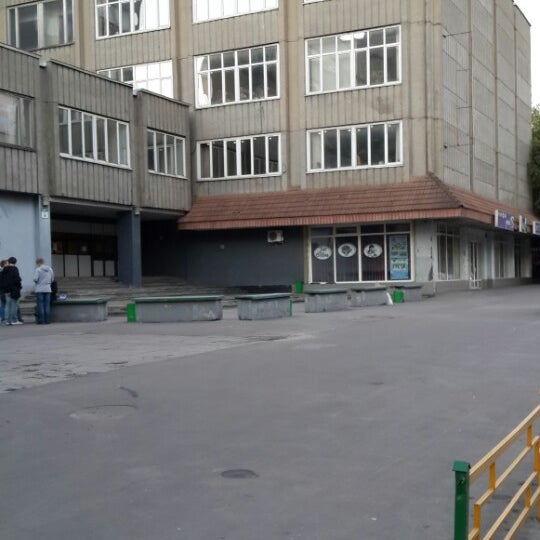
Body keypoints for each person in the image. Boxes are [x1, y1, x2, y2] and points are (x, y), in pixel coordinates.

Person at [2, 257, 23, 325]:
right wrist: (19, 286)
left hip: (6, 290)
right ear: (15, 262)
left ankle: (7, 320)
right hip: (14, 289)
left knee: (7, 305)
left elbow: (2, 280)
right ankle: (14, 320)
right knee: (14, 305)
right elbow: (17, 279)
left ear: (8, 261)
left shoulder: (4, 269)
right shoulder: (14, 269)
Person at [33, 258, 54, 325]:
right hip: (48, 289)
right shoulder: (50, 269)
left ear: (38, 263)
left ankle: (41, 321)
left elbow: (35, 279)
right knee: (47, 305)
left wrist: (39, 282)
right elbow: (52, 279)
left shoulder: (38, 269)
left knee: (40, 305)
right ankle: (47, 320)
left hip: (39, 289)